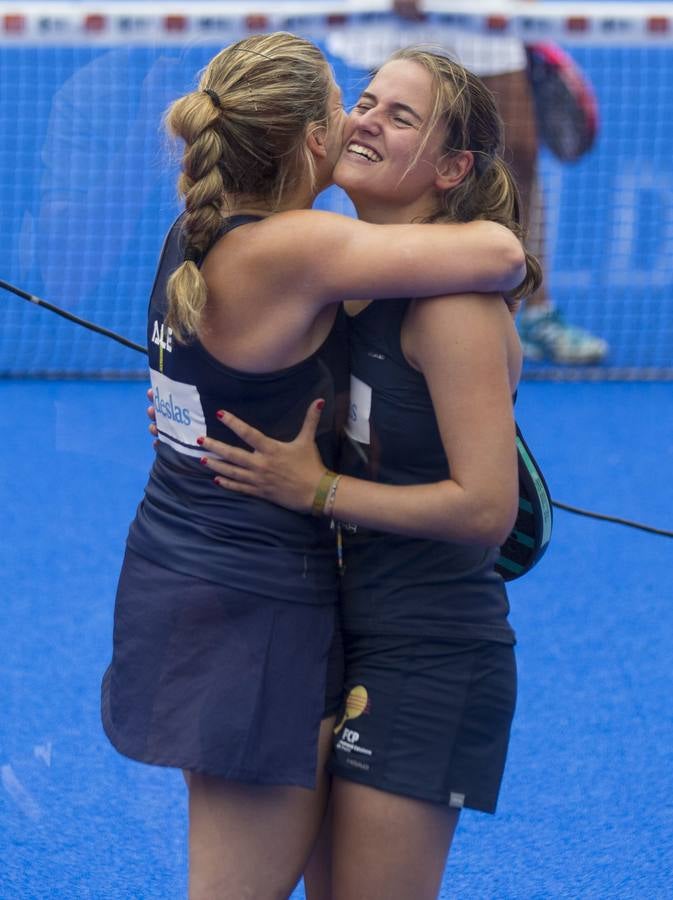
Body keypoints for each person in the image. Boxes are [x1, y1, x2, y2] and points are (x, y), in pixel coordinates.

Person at [101, 32, 527, 900]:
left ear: (450, 167)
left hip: (400, 633)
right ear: (309, 142)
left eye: (393, 112)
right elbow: (501, 249)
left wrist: (314, 483)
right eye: (356, 101)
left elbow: (488, 507)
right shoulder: (321, 262)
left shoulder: (365, 279)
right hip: (287, 611)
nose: (361, 119)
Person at [327, 0, 608, 365]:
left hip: (480, 9)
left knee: (519, 152)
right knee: (392, 150)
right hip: (400, 18)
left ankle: (536, 309)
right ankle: (385, 293)